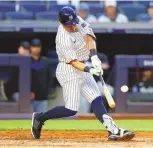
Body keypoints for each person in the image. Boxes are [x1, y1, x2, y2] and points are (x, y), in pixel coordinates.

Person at [31, 6, 134, 141]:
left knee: (96, 99)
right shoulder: (62, 38)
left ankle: (112, 129)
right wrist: (90, 69)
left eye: (73, 22)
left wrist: (94, 56)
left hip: (83, 64)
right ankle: (39, 118)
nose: (73, 26)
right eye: (69, 25)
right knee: (71, 109)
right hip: (69, 70)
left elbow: (89, 38)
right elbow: (73, 62)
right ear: (61, 23)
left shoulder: (78, 20)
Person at [29, 38, 53, 112]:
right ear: (31, 47)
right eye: (34, 46)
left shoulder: (45, 61)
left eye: (38, 46)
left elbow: (50, 78)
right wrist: (27, 91)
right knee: (28, 120)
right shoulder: (26, 61)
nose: (36, 48)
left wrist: (47, 92)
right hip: (29, 98)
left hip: (42, 98)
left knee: (40, 121)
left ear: (40, 48)